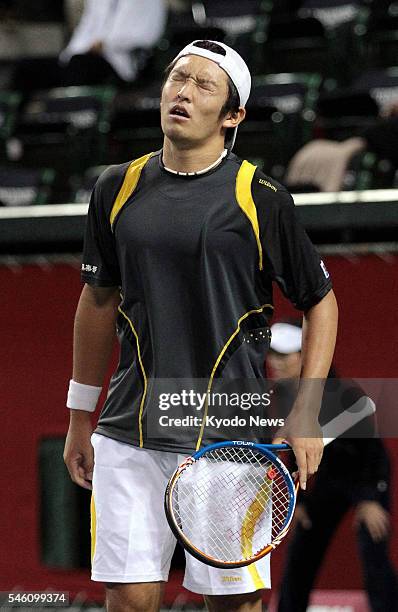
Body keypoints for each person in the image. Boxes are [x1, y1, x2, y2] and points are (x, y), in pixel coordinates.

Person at [63, 40, 338, 612]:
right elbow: (96, 300)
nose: (182, 93)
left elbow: (321, 302)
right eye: (176, 79)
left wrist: (307, 408)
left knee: (235, 608)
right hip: (126, 432)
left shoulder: (260, 198)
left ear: (233, 115)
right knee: (130, 601)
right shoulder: (115, 187)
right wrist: (77, 416)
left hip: (229, 440)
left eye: (203, 86)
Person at [268, 321, 398, 612]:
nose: (274, 363)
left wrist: (371, 499)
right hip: (325, 484)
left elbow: (374, 453)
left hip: (364, 480)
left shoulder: (345, 396)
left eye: (282, 355)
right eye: (272, 355)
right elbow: (294, 450)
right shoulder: (285, 396)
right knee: (300, 554)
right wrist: (298, 501)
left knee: (373, 549)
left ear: (304, 356)